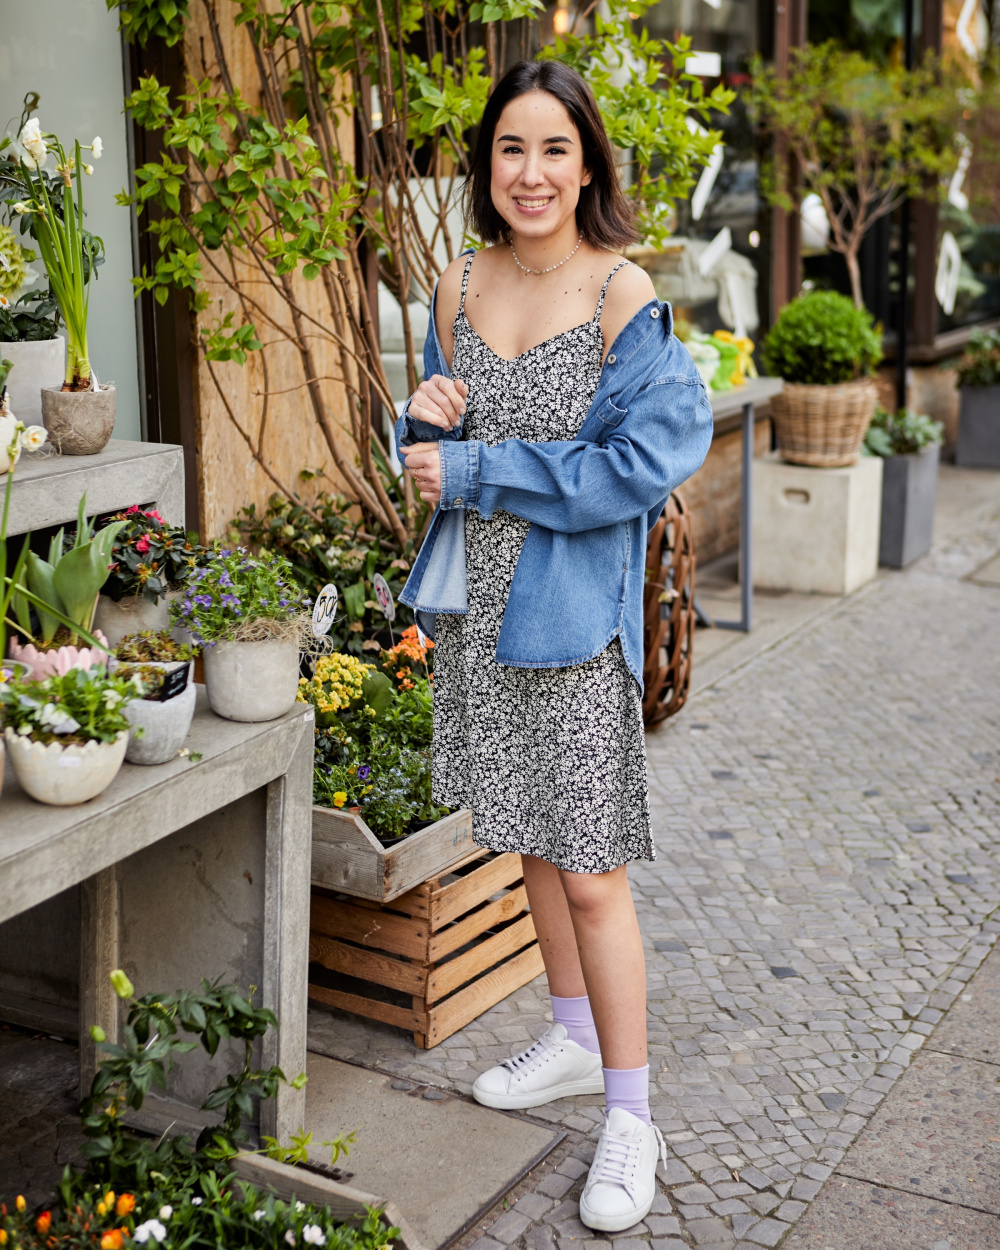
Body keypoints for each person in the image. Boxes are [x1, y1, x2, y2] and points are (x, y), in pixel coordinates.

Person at [396, 59, 712, 1232]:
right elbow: (435, 434)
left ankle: (631, 1113)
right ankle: (573, 1042)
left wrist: (478, 466)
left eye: (554, 150)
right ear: (487, 167)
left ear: (588, 164)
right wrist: (419, 426)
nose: (531, 173)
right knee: (524, 835)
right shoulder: (454, 279)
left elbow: (644, 462)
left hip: (573, 616)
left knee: (590, 868)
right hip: (478, 606)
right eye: (509, 150)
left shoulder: (622, 296)